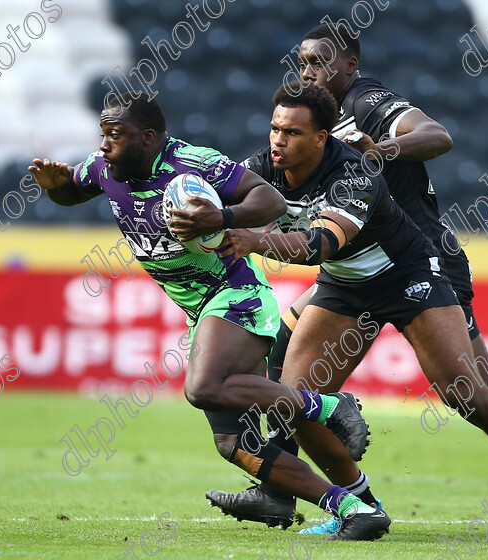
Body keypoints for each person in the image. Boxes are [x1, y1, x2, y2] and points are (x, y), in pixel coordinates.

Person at [208, 24, 488, 539]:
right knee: (293, 380)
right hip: (349, 271)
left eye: (319, 62)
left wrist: (379, 151)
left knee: (471, 395)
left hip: (420, 257)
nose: (308, 72)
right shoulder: (292, 138)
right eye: (302, 64)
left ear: (349, 67)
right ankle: (338, 502)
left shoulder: (367, 103)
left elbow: (438, 136)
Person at [28, 93, 389, 541]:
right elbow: (71, 192)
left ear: (148, 137)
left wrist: (221, 216)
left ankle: (331, 406)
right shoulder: (105, 167)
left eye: (114, 136)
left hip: (235, 293)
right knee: (234, 444)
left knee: (202, 387)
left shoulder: (193, 163)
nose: (104, 146)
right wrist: (55, 186)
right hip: (201, 309)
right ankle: (354, 508)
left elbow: (270, 199)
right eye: (103, 135)